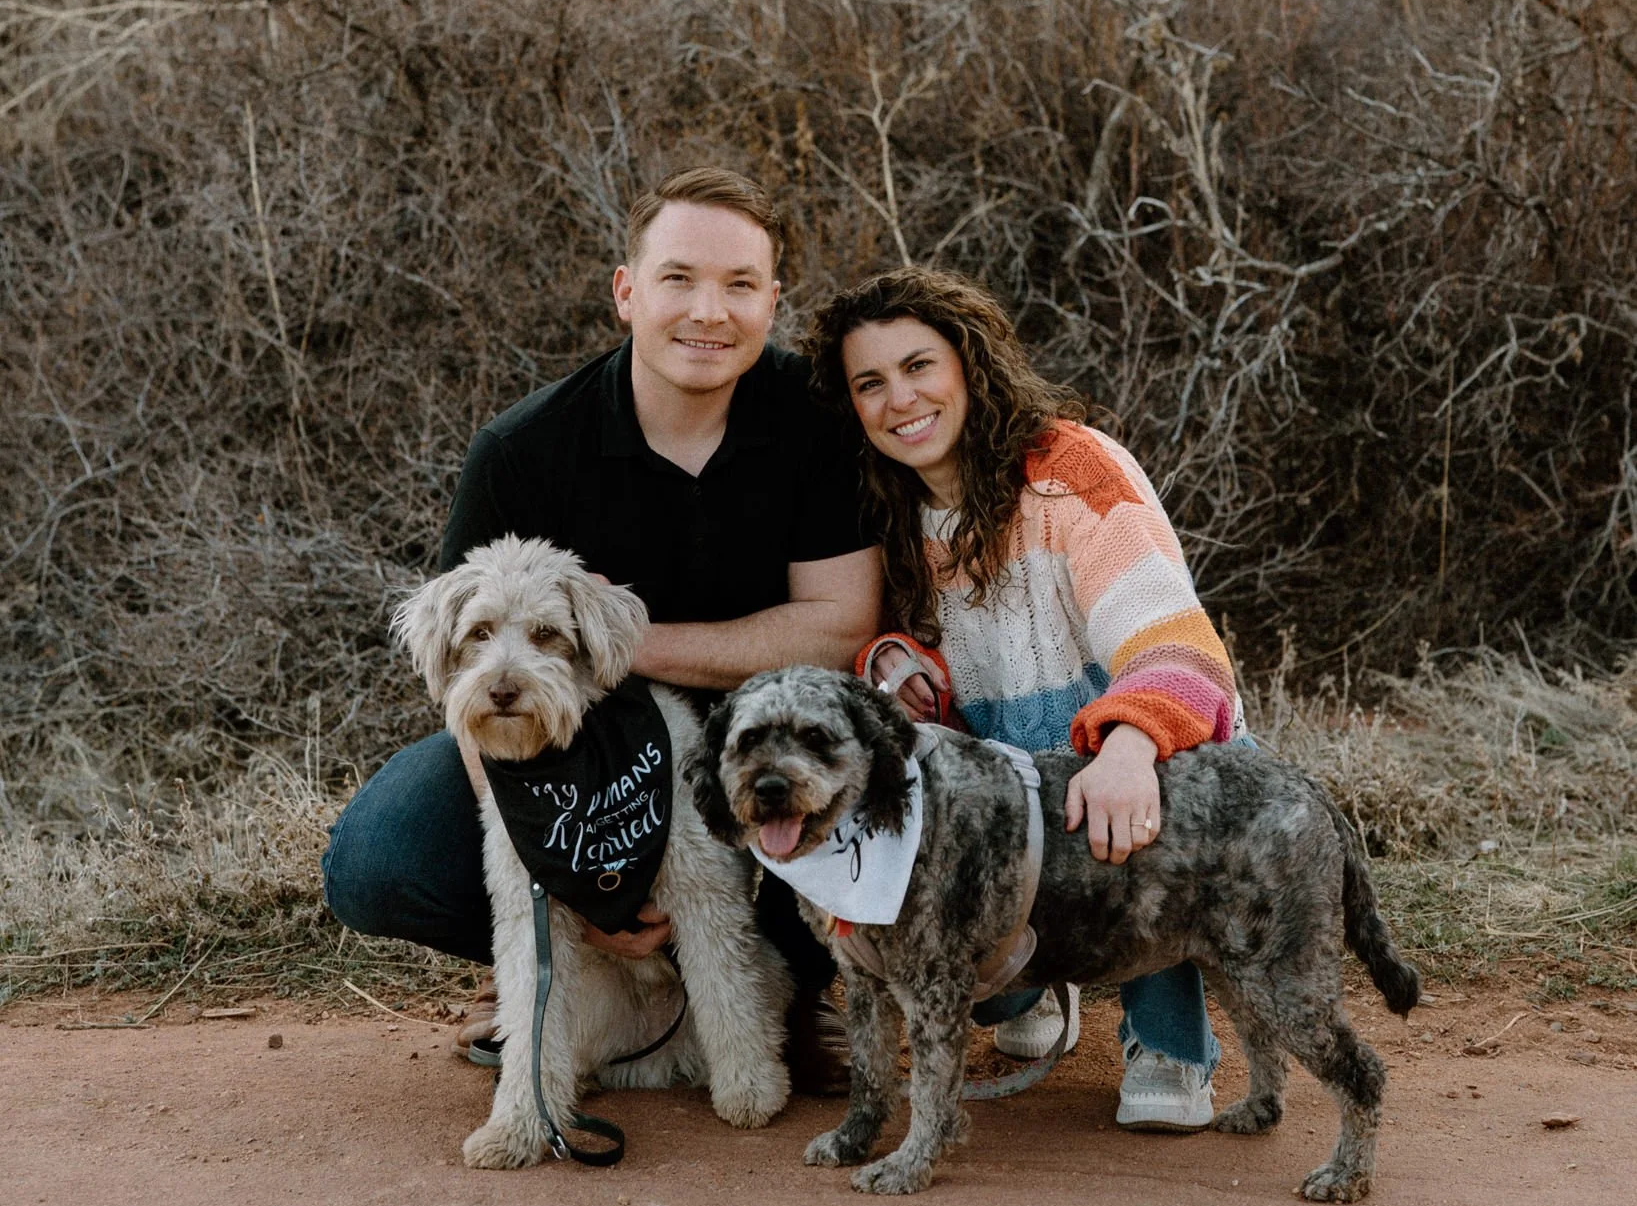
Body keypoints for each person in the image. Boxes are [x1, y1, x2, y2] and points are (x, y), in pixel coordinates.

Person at [322, 167, 882, 1093]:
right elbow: (476, 676)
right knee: (379, 861)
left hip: (777, 734)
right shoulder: (524, 449)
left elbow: (839, 628)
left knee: (872, 780)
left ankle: (808, 984)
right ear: (626, 292)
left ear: (772, 302)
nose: (709, 311)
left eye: (740, 284)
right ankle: (561, 975)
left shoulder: (815, 421)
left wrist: (622, 645)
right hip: (586, 751)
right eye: (677, 279)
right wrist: (566, 880)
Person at [806, 265, 1243, 1130]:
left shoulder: (1070, 470)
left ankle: (1168, 1043)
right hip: (1005, 781)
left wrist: (1127, 745)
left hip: (1123, 750)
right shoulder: (883, 512)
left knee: (1138, 803)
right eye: (870, 382)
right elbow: (909, 663)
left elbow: (1175, 641)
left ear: (968, 362)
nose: (900, 399)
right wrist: (896, 667)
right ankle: (1025, 994)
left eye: (918, 365)